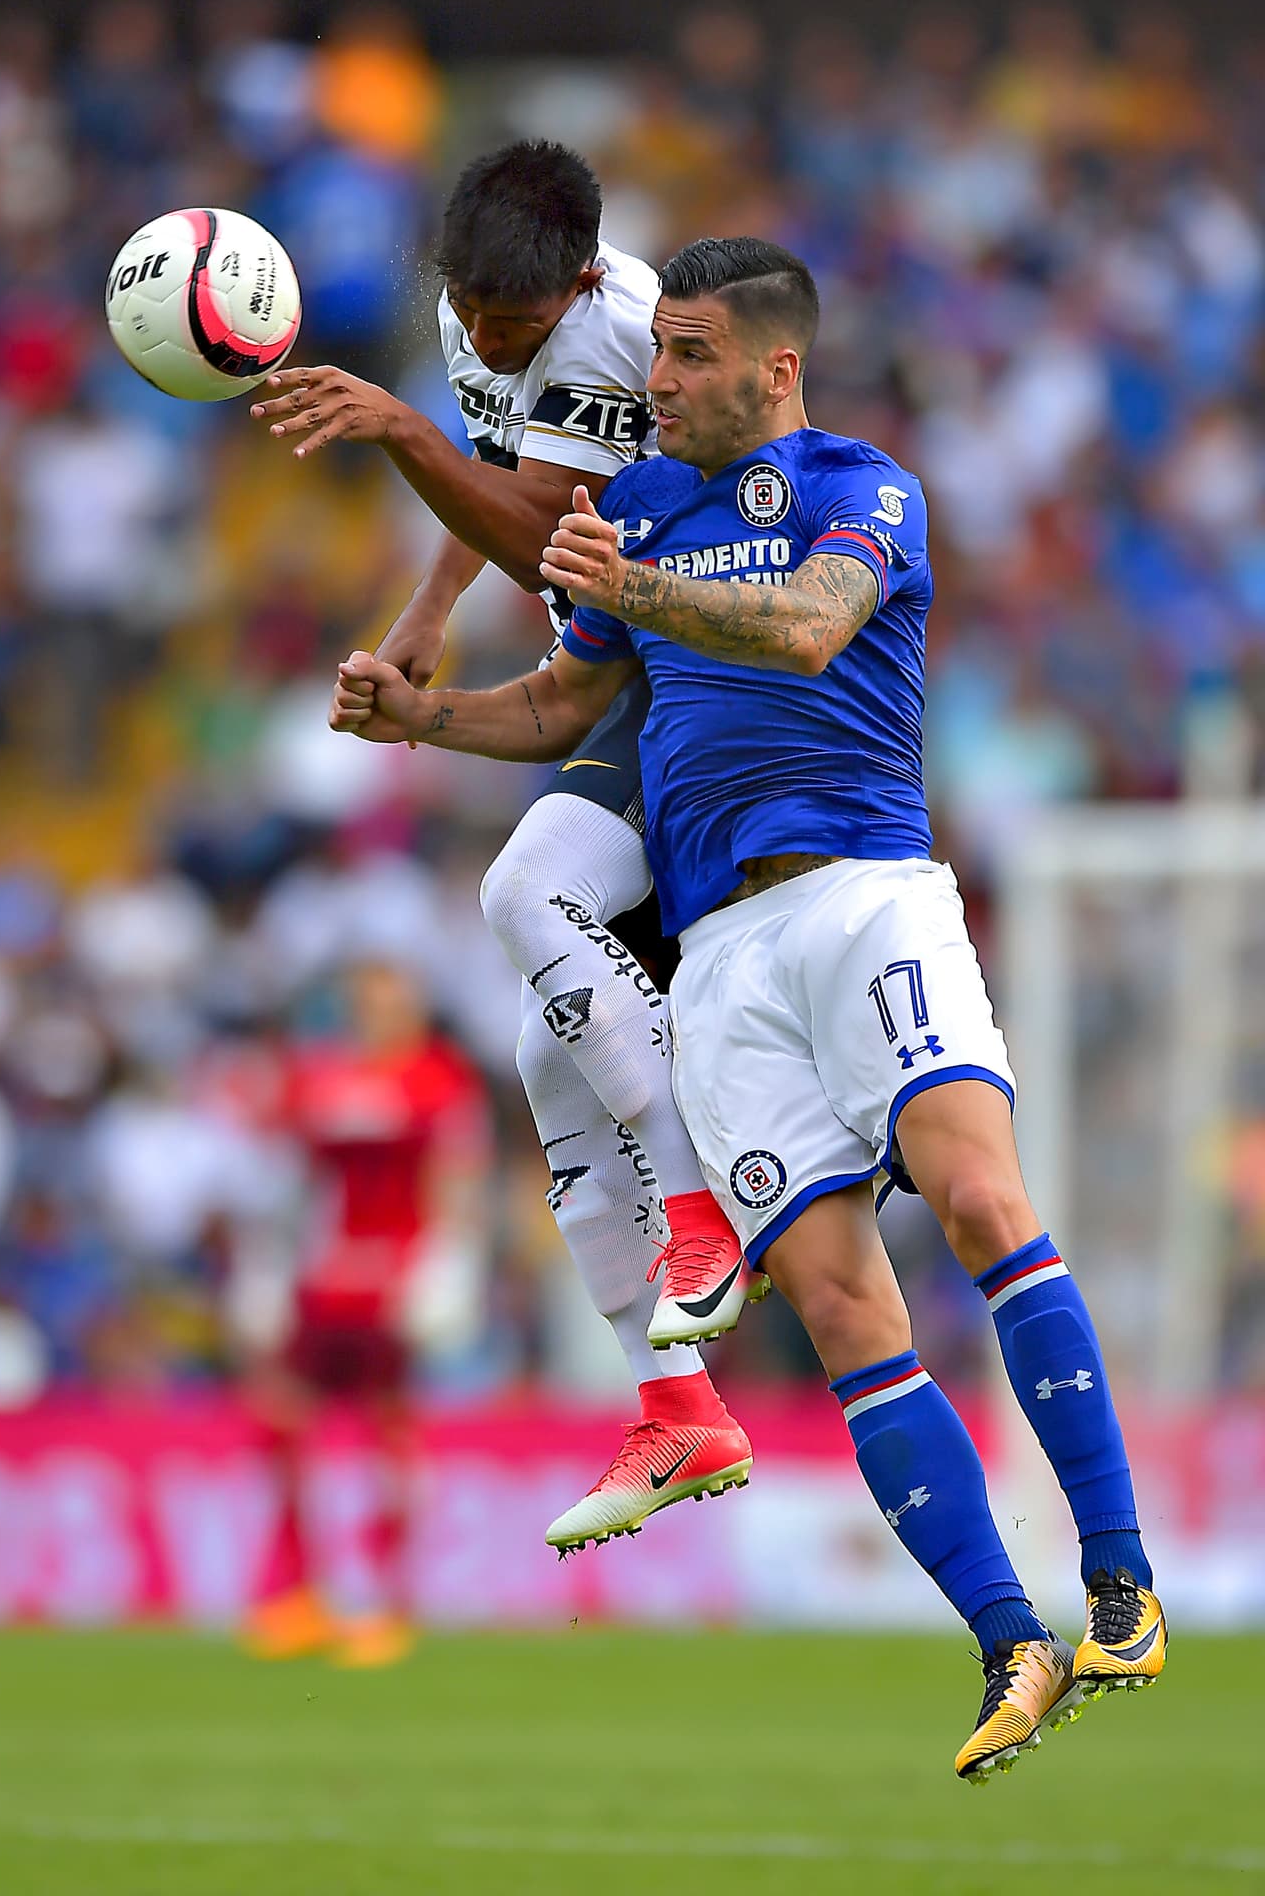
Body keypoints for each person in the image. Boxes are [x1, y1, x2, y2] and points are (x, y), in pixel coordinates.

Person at [329, 235, 1167, 1781]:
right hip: (717, 958)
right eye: (658, 356)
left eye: (690, 355)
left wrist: (629, 583)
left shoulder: (867, 485)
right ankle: (1011, 1641)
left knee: (982, 1199)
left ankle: (1119, 1580)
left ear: (775, 366)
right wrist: (425, 718)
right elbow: (563, 708)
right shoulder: (635, 501)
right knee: (849, 1310)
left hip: (867, 894)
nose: (658, 381)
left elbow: (807, 628)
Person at [251, 142, 754, 1554]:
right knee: (549, 1052)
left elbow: (545, 532)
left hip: (702, 678)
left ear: (582, 288)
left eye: (506, 325)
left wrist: (398, 436)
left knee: (523, 888)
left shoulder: (618, 332)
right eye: (465, 310)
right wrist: (423, 620)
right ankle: (679, 1408)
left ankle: (707, 1206)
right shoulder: (482, 312)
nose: (480, 337)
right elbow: (496, 470)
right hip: (619, 669)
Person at [241, 956, 489, 1666]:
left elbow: (458, 1175)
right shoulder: (323, 1079)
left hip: (398, 1272)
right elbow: (290, 1182)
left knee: (389, 1431)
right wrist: (268, 1269)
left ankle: (385, 1600)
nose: (373, 1013)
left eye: (386, 1001)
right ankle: (301, 1591)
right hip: (327, 1275)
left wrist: (450, 1267)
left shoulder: (439, 1080)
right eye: (364, 1001)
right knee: (280, 1418)